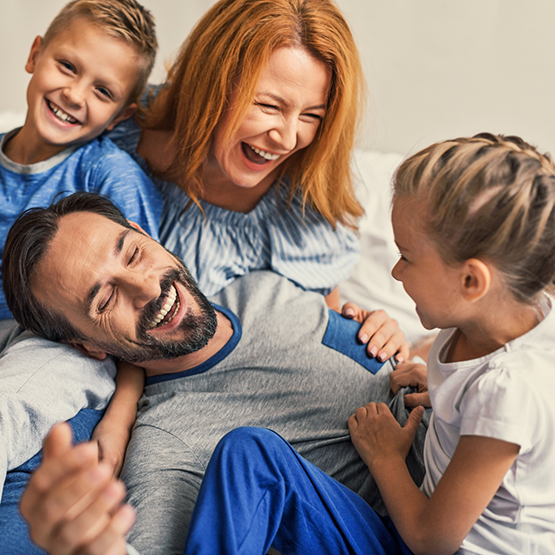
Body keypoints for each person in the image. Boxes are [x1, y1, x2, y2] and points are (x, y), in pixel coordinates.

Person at [174, 133, 555, 555]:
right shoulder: (496, 313)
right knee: (248, 453)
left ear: (470, 281)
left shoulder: (507, 390)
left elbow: (433, 541)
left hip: (424, 540)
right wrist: (438, 381)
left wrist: (386, 457)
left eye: (407, 256)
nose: (394, 271)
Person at [2, 192, 428, 555]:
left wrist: (408, 349)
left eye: (133, 254)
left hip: (462, 464)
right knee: (251, 450)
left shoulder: (264, 286)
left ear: (146, 234)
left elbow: (387, 352)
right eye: (107, 300)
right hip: (411, 527)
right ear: (88, 346)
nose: (148, 288)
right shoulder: (167, 451)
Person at [107, 0, 394, 358]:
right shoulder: (114, 129)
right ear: (212, 82)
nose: (288, 139)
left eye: (311, 115)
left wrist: (372, 332)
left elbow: (326, 332)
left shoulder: (305, 197)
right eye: (269, 106)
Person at [0, 0, 161, 527]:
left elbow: (145, 314)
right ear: (35, 54)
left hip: (66, 343)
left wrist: (119, 421)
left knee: (9, 402)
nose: (74, 94)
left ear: (120, 115)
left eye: (103, 90)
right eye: (68, 66)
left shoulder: (111, 176)